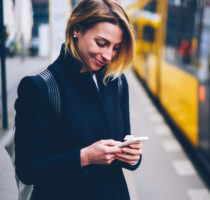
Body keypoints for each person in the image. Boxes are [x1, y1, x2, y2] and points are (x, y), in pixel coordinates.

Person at [14, 0, 143, 199]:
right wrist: (84, 157)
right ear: (77, 30)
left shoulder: (116, 82)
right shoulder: (40, 87)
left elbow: (124, 138)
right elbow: (27, 169)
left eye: (116, 47)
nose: (109, 55)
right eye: (102, 43)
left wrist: (132, 156)